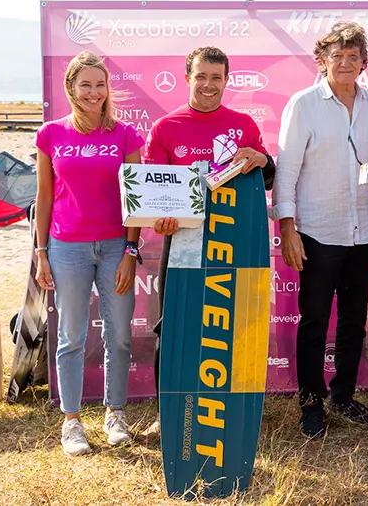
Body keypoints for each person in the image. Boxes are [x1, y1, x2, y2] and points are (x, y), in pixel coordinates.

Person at [139, 45, 276, 441]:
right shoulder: (166, 127)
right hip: (182, 241)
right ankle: (167, 414)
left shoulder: (244, 124)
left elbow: (267, 179)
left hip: (235, 241)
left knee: (235, 324)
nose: (209, 85)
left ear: (226, 80)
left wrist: (261, 159)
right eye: (201, 76)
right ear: (187, 78)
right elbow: (152, 194)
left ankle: (239, 411)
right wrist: (159, 220)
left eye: (217, 77)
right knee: (173, 327)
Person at [274, 21, 368, 440]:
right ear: (322, 60)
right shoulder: (303, 104)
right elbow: (286, 172)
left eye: (353, 56)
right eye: (337, 56)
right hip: (316, 232)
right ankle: (310, 401)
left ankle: (342, 395)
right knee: (313, 322)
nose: (345, 63)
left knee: (353, 321)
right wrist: (288, 229)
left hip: (363, 231)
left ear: (364, 62)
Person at [34, 50, 145, 456]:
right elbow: (44, 197)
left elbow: (137, 198)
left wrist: (131, 250)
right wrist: (42, 251)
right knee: (71, 336)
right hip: (67, 248)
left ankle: (115, 413)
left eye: (100, 85)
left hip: (116, 246)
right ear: (71, 88)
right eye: (86, 85)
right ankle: (72, 421)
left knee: (118, 336)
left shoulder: (126, 135)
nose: (94, 92)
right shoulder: (50, 134)